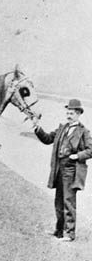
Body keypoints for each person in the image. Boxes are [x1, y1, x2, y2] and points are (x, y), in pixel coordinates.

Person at [32, 99, 92, 242]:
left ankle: (69, 234)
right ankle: (59, 231)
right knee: (58, 201)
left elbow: (91, 150)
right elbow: (47, 139)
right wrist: (37, 129)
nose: (68, 115)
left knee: (68, 201)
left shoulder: (83, 132)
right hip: (59, 169)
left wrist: (77, 155)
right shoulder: (62, 128)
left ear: (78, 114)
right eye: (67, 112)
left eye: (71, 113)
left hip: (72, 170)